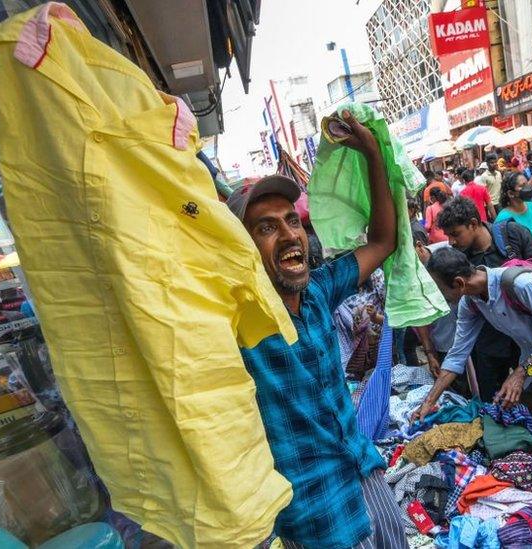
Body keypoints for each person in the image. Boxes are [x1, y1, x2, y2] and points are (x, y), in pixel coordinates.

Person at [228, 110, 407, 548]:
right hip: (315, 511)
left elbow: (383, 241)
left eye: (292, 220)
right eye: (266, 228)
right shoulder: (236, 321)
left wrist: (371, 153)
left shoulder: (318, 290)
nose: (289, 234)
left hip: (363, 469)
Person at [412, 247, 532, 477]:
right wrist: (429, 402)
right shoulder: (472, 302)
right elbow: (458, 353)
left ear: (458, 283)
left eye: (439, 290)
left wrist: (519, 374)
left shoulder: (522, 285)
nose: (440, 297)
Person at [435, 197, 532, 400]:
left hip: (529, 343)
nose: (451, 242)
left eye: (455, 234)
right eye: (448, 236)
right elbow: (459, 347)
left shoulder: (513, 235)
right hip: (489, 345)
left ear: (473, 224)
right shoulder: (458, 259)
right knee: (494, 400)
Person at [495, 171, 532, 244]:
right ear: (511, 194)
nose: (528, 187)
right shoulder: (503, 219)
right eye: (522, 186)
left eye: (527, 183)